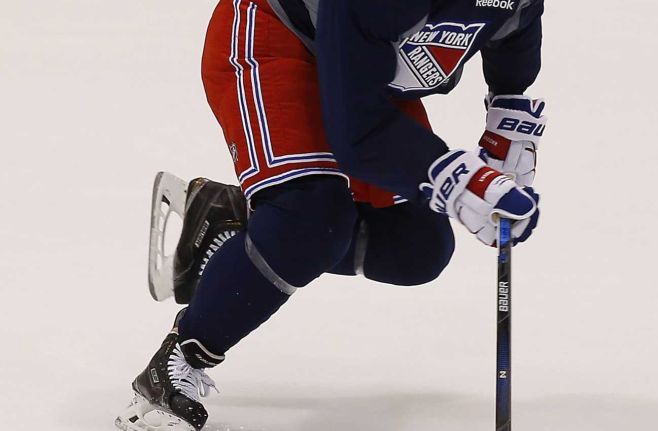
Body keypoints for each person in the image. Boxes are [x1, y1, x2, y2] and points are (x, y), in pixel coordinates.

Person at [116, 0, 546, 429]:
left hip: (366, 66)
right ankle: (177, 359)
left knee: (416, 246)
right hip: (279, 35)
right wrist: (460, 182)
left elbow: (514, 28)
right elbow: (359, 136)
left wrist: (508, 113)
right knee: (309, 220)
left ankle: (237, 227)